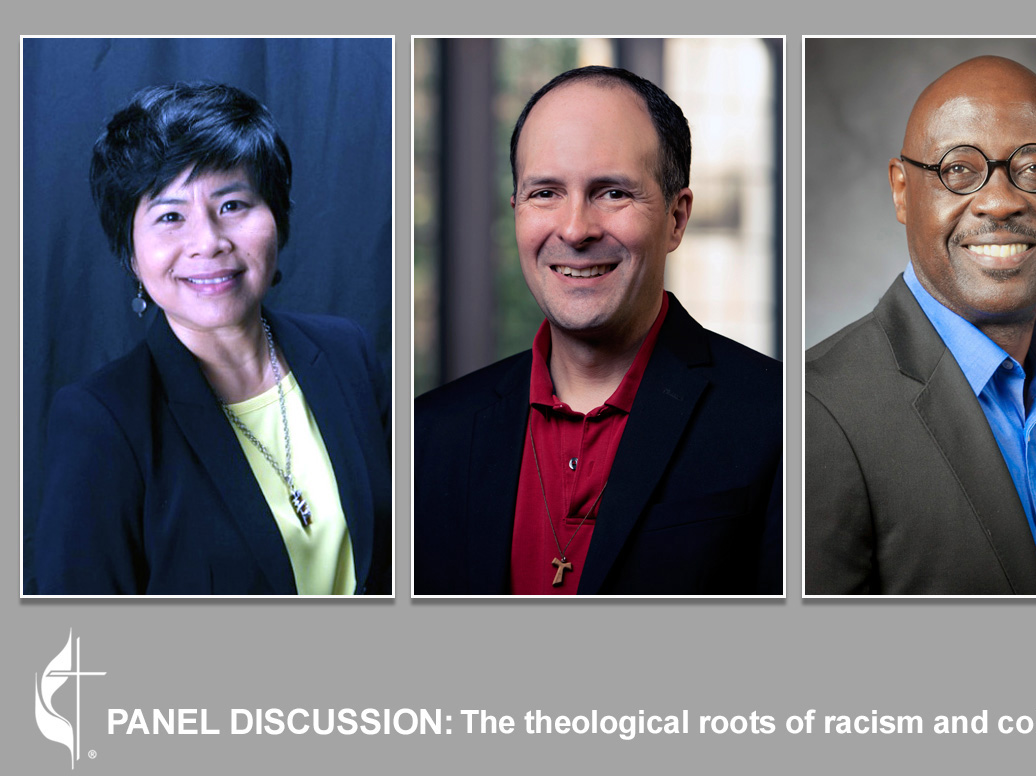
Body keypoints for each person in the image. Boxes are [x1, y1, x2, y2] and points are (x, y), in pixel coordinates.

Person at [415, 66, 782, 595]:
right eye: (545, 193)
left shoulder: (780, 417)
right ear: (516, 211)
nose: (574, 230)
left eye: (611, 193)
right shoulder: (428, 437)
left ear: (676, 218)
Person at [805, 56, 1036, 595]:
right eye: (958, 169)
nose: (999, 202)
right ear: (902, 191)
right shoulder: (812, 415)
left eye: (1035, 168)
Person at [33, 82, 391, 595]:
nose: (208, 242)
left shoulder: (345, 352)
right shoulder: (102, 421)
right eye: (170, 216)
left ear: (277, 218)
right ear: (131, 253)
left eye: (232, 205)